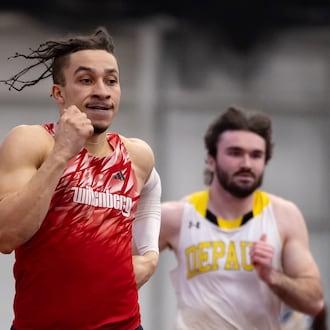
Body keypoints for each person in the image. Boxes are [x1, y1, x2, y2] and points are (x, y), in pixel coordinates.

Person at [0, 26, 161, 330]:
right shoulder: (32, 142)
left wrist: (150, 254)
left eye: (111, 81)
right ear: (59, 93)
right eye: (86, 80)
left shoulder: (136, 155)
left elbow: (153, 188)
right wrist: (63, 152)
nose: (102, 90)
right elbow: (6, 235)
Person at [159, 106, 324, 330]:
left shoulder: (284, 216)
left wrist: (271, 276)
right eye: (235, 153)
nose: (246, 164)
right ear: (211, 160)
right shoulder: (176, 216)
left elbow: (314, 301)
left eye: (256, 155)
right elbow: (119, 268)